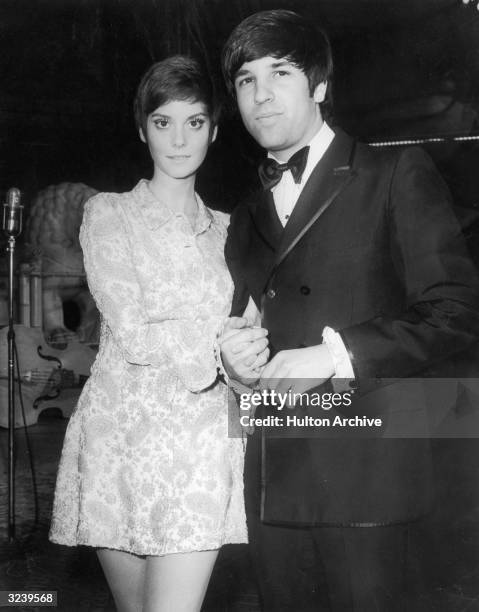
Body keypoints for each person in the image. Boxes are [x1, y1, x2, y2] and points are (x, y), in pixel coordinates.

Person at [219, 9, 479, 611]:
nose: (260, 96)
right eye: (245, 80)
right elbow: (248, 325)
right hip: (272, 478)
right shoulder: (245, 213)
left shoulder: (393, 171)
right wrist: (236, 359)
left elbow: (456, 308)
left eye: (280, 73)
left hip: (367, 476)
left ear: (319, 87)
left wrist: (336, 354)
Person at [49, 55, 267, 612]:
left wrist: (245, 358)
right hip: (119, 441)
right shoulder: (108, 214)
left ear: (214, 131)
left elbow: (250, 339)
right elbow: (131, 330)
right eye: (163, 122)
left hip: (201, 444)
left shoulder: (230, 230)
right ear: (142, 128)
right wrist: (223, 341)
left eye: (194, 122)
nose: (178, 139)